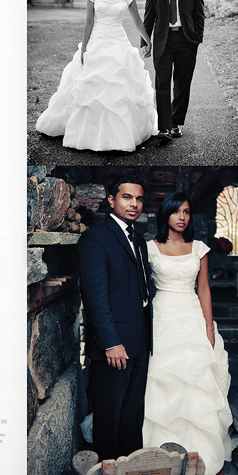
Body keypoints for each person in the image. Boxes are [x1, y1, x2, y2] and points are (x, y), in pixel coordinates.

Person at [142, 193, 234, 474]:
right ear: (165, 215)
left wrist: (209, 328)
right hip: (162, 318)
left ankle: (199, 452)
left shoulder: (200, 248)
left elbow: (203, 289)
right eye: (177, 211)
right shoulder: (149, 248)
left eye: (187, 211)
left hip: (192, 316)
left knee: (196, 383)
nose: (182, 217)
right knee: (162, 381)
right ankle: (157, 453)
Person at [35, 0, 157, 152]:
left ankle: (118, 135)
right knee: (90, 86)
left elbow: (137, 21)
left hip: (118, 42)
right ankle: (88, 131)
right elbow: (88, 23)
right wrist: (84, 48)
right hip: (97, 42)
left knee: (118, 87)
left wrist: (147, 40)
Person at [78, 174, 154, 460]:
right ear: (112, 200)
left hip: (140, 337)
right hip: (114, 344)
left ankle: (130, 466)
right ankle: (109, 466)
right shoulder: (95, 238)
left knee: (132, 412)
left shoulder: (140, 241)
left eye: (138, 198)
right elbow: (95, 296)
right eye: (126, 197)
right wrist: (110, 342)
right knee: (109, 415)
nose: (134, 204)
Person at [143, 0, 205, 140]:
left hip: (186, 41)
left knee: (182, 83)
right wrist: (145, 42)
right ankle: (164, 127)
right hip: (163, 40)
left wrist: (197, 38)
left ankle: (176, 123)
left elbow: (199, 15)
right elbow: (148, 17)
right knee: (162, 82)